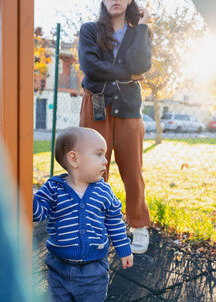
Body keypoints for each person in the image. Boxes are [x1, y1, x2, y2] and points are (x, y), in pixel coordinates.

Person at [33, 127, 134, 302]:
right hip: (60, 266)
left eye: (104, 155)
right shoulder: (53, 188)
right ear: (74, 159)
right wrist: (27, 198)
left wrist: (123, 248)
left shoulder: (104, 192)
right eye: (99, 154)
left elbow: (115, 222)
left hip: (94, 266)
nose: (106, 160)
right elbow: (38, 213)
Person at [78, 0, 152, 254]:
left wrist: (142, 28)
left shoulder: (138, 31)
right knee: (93, 170)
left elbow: (140, 66)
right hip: (96, 106)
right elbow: (90, 67)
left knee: (133, 171)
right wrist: (125, 73)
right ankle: (95, 226)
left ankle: (139, 225)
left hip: (129, 108)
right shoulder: (89, 30)